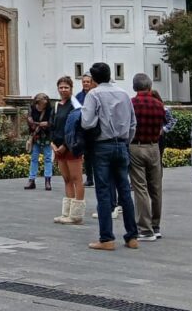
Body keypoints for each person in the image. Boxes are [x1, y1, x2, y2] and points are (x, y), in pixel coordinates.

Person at [80, 62, 139, 251]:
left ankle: (107, 238)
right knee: (125, 191)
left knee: (104, 192)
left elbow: (87, 122)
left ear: (94, 79)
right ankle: (132, 236)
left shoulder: (94, 94)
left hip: (102, 145)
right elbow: (133, 123)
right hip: (121, 144)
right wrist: (125, 141)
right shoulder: (123, 94)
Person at [130, 73, 165, 241]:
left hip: (136, 145)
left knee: (140, 188)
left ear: (134, 87)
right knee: (156, 188)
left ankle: (145, 229)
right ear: (150, 86)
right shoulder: (159, 105)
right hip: (154, 146)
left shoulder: (131, 103)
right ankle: (156, 226)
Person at [50, 76, 84, 225]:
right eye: (61, 87)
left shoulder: (75, 105)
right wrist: (52, 143)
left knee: (77, 179)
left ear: (71, 88)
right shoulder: (57, 105)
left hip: (71, 147)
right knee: (66, 179)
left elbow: (76, 127)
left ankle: (76, 214)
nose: (63, 90)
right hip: (58, 147)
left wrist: (65, 145)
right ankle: (67, 212)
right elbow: (53, 125)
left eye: (66, 87)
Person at [25, 92, 54, 191]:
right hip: (36, 135)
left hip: (46, 136)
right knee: (34, 158)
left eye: (44, 103)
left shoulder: (50, 109)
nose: (42, 105)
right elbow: (29, 120)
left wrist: (47, 124)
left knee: (48, 158)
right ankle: (31, 180)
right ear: (37, 102)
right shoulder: (32, 108)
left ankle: (47, 181)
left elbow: (52, 122)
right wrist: (33, 122)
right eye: (41, 103)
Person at [76, 72, 95, 187]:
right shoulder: (79, 96)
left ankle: (98, 177)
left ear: (92, 82)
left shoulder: (95, 94)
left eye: (88, 81)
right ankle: (89, 178)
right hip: (84, 131)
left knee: (96, 155)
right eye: (84, 82)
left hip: (95, 130)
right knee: (87, 156)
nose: (86, 83)